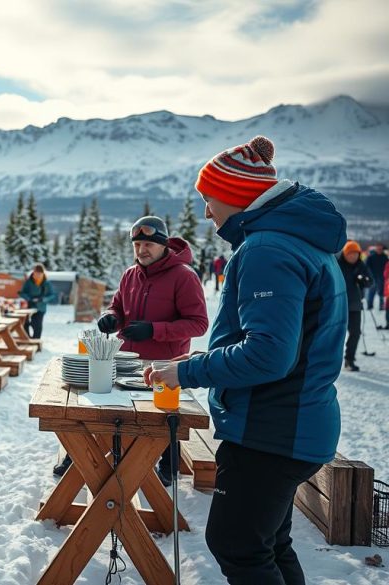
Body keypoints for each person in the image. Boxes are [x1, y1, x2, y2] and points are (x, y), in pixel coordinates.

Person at [148, 135, 346, 585]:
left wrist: (185, 370)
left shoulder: (267, 249)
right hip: (293, 423)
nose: (205, 212)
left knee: (236, 542)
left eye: (208, 198)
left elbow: (268, 354)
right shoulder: (299, 241)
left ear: (235, 195)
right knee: (267, 543)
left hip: (271, 430)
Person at [54, 216, 209, 484]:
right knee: (105, 407)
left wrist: (153, 330)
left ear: (163, 245)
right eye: (137, 244)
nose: (142, 249)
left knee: (161, 418)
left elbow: (199, 324)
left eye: (148, 243)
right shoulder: (130, 275)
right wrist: (111, 317)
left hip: (164, 366)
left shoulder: (184, 276)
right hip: (126, 361)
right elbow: (117, 306)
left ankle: (168, 465)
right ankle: (82, 455)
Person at [338, 241, 373, 371]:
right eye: (350, 254)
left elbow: (371, 281)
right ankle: (330, 359)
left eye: (356, 254)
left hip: (354, 305)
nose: (353, 257)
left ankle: (349, 359)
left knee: (355, 333)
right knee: (337, 333)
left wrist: (364, 280)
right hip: (338, 305)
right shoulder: (338, 264)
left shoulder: (361, 265)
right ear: (345, 253)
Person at [18, 263, 55, 339]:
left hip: (41, 307)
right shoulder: (28, 282)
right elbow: (22, 293)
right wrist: (29, 298)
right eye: (36, 273)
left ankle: (36, 340)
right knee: (25, 323)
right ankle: (27, 338)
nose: (37, 276)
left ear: (42, 274)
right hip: (29, 306)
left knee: (37, 324)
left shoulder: (47, 283)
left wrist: (43, 299)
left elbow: (52, 295)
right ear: (33, 273)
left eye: (39, 274)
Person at [364, 243, 386, 311]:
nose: (379, 250)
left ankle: (381, 306)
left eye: (381, 249)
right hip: (372, 277)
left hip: (382, 278)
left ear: (382, 249)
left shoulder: (385, 257)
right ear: (376, 248)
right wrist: (369, 274)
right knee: (371, 292)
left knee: (381, 293)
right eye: (378, 248)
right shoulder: (371, 257)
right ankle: (370, 306)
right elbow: (366, 266)